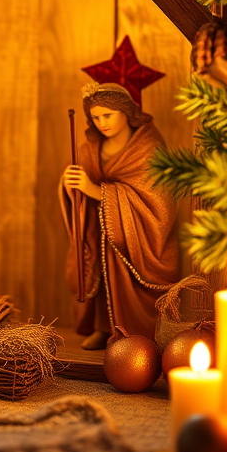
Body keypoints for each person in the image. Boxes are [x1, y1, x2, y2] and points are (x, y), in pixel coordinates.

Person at [60, 82, 180, 350]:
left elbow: (157, 197)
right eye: (95, 117)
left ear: (126, 112)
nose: (101, 123)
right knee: (104, 281)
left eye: (108, 115)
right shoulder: (90, 149)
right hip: (102, 231)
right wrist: (71, 185)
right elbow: (80, 186)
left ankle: (138, 335)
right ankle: (105, 329)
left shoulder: (148, 147)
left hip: (139, 234)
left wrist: (96, 191)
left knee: (128, 282)